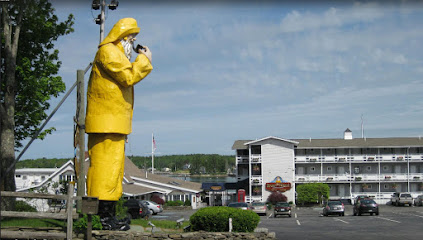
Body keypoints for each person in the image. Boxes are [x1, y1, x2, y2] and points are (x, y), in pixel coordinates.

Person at [85, 18, 153, 231]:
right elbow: (128, 76)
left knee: (113, 171)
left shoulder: (115, 53)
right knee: (106, 171)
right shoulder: (109, 52)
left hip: (112, 123)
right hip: (106, 123)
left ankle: (109, 217)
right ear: (121, 36)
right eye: (131, 37)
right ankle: (104, 219)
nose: (133, 42)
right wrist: (145, 60)